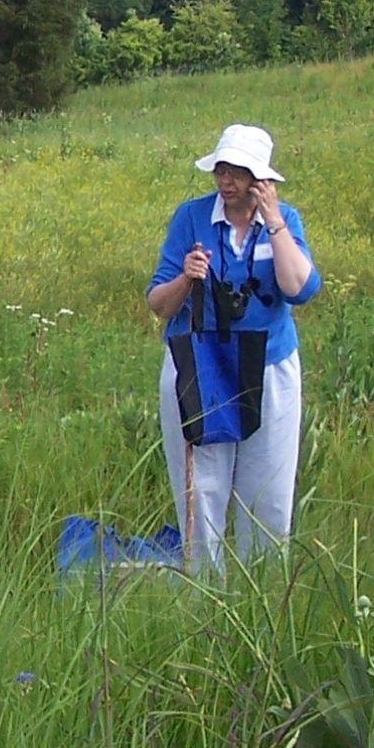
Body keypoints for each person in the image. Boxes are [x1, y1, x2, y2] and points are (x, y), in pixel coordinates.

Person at [147, 124, 321, 574]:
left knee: (268, 487)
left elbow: (299, 289)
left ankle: (260, 587)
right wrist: (187, 277)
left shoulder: (284, 221)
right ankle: (204, 590)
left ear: (261, 179)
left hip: (268, 363)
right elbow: (158, 304)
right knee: (200, 486)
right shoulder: (191, 218)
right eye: (221, 170)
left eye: (239, 173)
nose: (227, 181)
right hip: (201, 366)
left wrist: (275, 220)